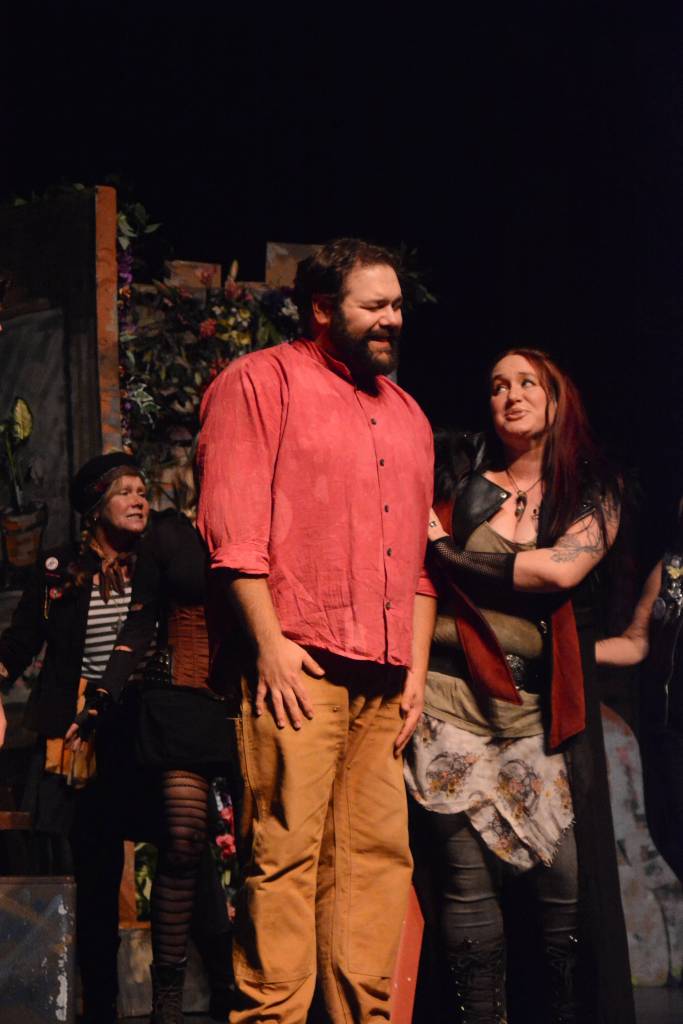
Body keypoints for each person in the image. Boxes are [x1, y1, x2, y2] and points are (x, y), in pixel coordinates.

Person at [196, 237, 437, 1024]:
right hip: (298, 664)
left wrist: (414, 674)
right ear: (323, 308)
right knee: (284, 855)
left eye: (397, 305)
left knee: (375, 863)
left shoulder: (408, 414)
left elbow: (419, 568)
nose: (391, 319)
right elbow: (233, 535)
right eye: (374, 306)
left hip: (384, 677)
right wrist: (269, 645)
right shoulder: (258, 382)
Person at [404, 349, 635, 1024]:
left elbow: (559, 571)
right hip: (449, 700)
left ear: (557, 400)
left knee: (562, 875)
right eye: (498, 386)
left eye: (528, 383)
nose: (511, 395)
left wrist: (446, 552)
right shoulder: (461, 481)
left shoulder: (591, 489)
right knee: (465, 878)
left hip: (535, 709)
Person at [0, 452, 150, 1024]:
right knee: (96, 870)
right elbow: (21, 641)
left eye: (142, 490)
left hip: (144, 726)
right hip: (84, 736)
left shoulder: (154, 563)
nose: (139, 499)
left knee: (186, 849)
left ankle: (183, 992)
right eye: (125, 491)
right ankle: (102, 1007)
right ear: (96, 506)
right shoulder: (60, 569)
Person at [79, 506, 235, 1024]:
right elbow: (141, 619)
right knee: (184, 840)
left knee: (267, 847)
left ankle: (243, 988)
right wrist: (103, 695)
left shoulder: (263, 518)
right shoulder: (169, 532)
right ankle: (167, 1003)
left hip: (254, 694)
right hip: (181, 703)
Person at [596, 500, 683, 884]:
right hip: (670, 736)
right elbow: (636, 642)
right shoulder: (671, 568)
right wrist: (568, 653)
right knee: (671, 838)